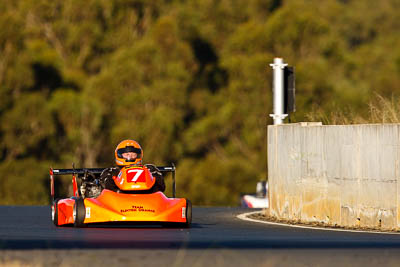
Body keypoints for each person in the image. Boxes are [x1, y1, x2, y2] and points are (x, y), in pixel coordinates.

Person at [99, 139, 165, 192]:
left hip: (146, 199)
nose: (130, 156)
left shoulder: (149, 169)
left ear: (138, 155)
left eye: (133, 154)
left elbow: (161, 187)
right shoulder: (112, 171)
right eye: (127, 154)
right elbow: (106, 188)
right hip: (119, 201)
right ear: (119, 155)